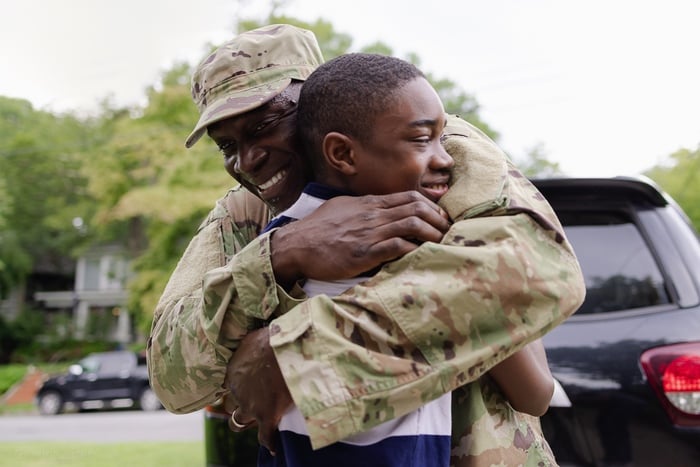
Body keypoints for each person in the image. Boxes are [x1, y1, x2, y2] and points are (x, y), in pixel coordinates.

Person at [146, 24, 585, 466]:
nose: (247, 158)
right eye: (227, 145)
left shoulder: (435, 163)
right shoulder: (247, 215)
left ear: (319, 101)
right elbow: (172, 378)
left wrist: (294, 355)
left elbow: (540, 271)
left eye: (266, 123)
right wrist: (280, 253)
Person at [251, 52, 557, 467]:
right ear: (343, 153)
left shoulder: (272, 247)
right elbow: (534, 392)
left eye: (442, 138)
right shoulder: (425, 247)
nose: (445, 159)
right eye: (421, 139)